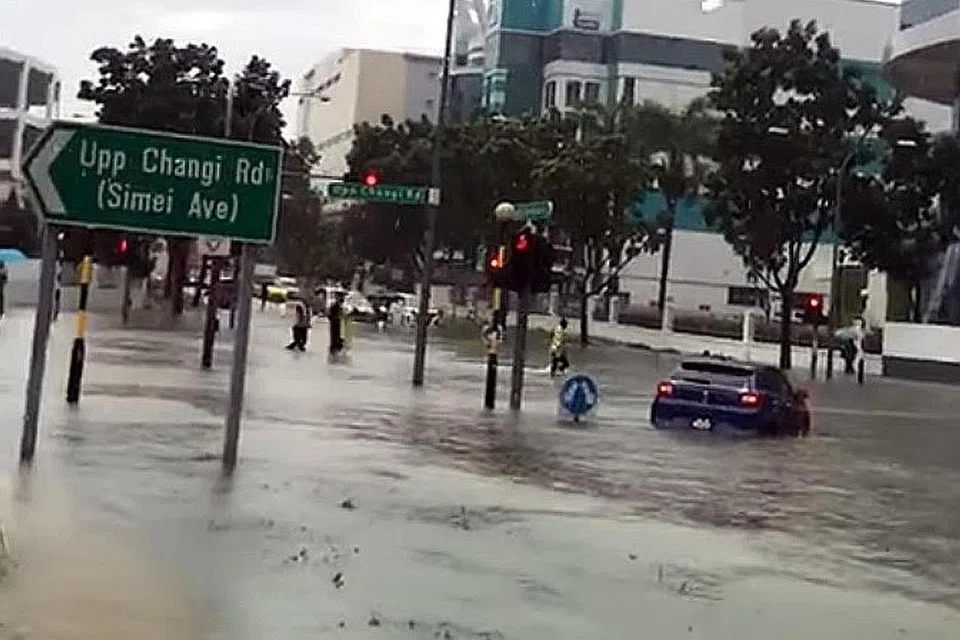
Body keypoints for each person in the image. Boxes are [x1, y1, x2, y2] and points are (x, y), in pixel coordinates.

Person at [328, 291, 346, 357]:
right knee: (335, 337)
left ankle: (336, 348)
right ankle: (336, 349)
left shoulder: (338, 305)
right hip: (335, 322)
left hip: (336, 322)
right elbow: (330, 314)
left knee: (335, 337)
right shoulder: (335, 305)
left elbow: (330, 315)